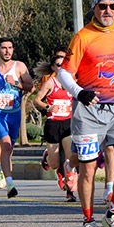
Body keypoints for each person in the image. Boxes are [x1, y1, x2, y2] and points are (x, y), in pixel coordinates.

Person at [58, 0, 114, 227]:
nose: (108, 11)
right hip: (89, 111)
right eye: (102, 6)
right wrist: (79, 92)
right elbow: (64, 73)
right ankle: (88, 222)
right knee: (89, 169)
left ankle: (113, 215)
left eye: (112, 6)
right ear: (94, 7)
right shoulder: (83, 37)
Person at [0, 37, 35, 198]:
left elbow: (30, 86)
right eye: (4, 48)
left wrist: (16, 83)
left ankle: (3, 172)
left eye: (10, 47)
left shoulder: (20, 66)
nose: (7, 51)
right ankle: (10, 185)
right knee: (6, 145)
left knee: (9, 150)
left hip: (14, 113)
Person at [34, 51, 77, 202]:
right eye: (58, 65)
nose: (62, 67)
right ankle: (48, 157)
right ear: (53, 67)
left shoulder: (72, 82)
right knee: (54, 164)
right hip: (53, 124)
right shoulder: (50, 83)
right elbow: (36, 100)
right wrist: (48, 107)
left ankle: (70, 190)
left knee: (71, 157)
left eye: (64, 64)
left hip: (68, 123)